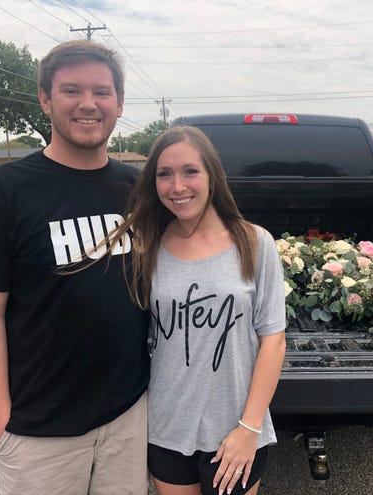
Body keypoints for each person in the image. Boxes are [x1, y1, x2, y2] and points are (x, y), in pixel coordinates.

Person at [0, 40, 150, 494]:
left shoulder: (135, 188)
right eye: (71, 90)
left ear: (118, 103)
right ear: (45, 99)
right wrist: (4, 431)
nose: (88, 104)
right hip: (39, 434)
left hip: (128, 419)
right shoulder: (3, 191)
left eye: (101, 91)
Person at [108, 125, 287, 495]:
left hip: (235, 432)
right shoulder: (147, 245)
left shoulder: (254, 243)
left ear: (211, 176)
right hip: (166, 429)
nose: (178, 186)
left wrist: (249, 429)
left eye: (190, 171)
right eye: (164, 174)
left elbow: (273, 341)